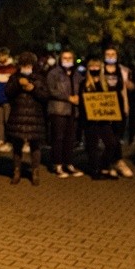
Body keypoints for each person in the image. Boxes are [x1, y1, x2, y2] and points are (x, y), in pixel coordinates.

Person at [4, 52, 50, 185]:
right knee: (17, 145)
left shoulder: (40, 78)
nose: (26, 67)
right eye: (24, 64)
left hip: (35, 116)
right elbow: (7, 93)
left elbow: (45, 96)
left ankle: (35, 172)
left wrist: (33, 88)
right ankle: (16, 171)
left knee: (35, 145)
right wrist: (18, 84)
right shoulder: (14, 77)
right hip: (17, 115)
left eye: (28, 64)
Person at [80, 58, 120, 180]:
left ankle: (104, 166)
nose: (94, 69)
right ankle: (95, 170)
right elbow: (82, 102)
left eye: (97, 67)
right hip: (90, 120)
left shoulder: (105, 83)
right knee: (92, 146)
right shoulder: (84, 84)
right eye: (92, 67)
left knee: (111, 144)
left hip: (104, 119)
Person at [46, 50, 84, 178]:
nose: (67, 60)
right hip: (58, 110)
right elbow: (51, 90)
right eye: (64, 58)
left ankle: (69, 163)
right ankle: (57, 164)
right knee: (58, 137)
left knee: (70, 138)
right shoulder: (53, 73)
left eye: (70, 58)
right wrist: (68, 98)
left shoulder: (77, 75)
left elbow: (83, 88)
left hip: (73, 111)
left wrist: (80, 97)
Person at [102, 46, 135, 177]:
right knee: (109, 138)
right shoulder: (100, 70)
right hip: (105, 107)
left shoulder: (122, 70)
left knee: (117, 136)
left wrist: (126, 106)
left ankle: (116, 162)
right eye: (108, 54)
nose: (110, 56)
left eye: (113, 54)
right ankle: (113, 161)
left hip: (119, 107)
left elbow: (124, 90)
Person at [0, 47, 16, 152]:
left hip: (8, 100)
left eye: (4, 55)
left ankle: (10, 141)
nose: (2, 57)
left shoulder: (12, 69)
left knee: (8, 121)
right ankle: (1, 139)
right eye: (0, 55)